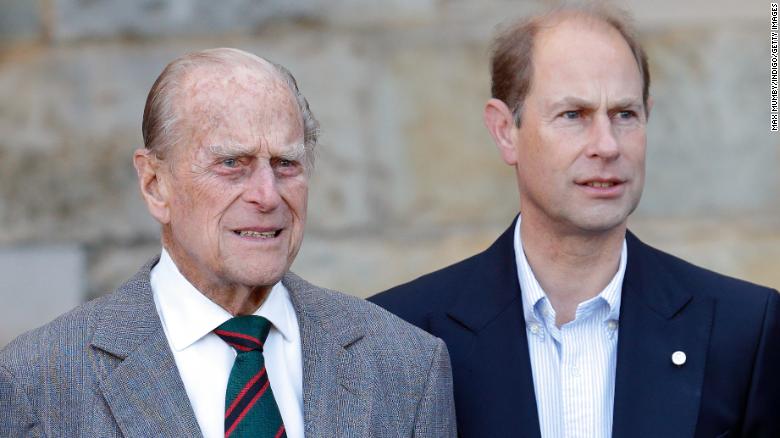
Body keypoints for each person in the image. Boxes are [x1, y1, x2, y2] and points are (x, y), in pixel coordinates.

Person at [0, 48, 455, 437]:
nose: (267, 194)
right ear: (155, 184)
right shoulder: (41, 380)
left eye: (285, 163)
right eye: (232, 163)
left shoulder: (404, 364)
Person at [370, 5, 779, 438]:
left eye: (625, 114)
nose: (607, 145)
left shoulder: (743, 329)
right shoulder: (402, 334)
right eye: (573, 115)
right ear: (505, 130)